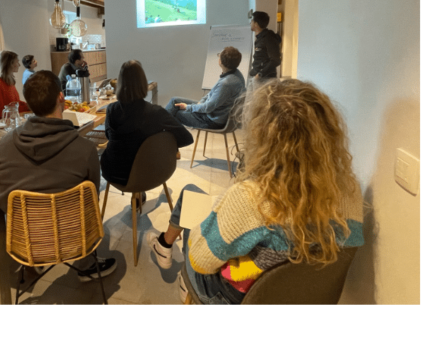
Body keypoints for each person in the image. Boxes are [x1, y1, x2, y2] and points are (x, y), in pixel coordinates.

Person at [149, 79, 365, 305]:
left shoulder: (250, 197)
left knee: (191, 207)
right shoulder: (349, 190)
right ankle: (164, 245)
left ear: (260, 136)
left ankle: (181, 276)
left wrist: (210, 220)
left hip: (235, 298)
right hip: (306, 297)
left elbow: (200, 261)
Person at [0, 70, 117, 282]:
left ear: (28, 103)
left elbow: (3, 201)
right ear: (61, 97)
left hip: (26, 241)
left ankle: (34, 261)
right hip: (73, 240)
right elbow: (92, 202)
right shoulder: (85, 149)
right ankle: (86, 266)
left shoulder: (4, 146)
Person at [101, 60, 194, 188]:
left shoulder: (111, 109)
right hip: (146, 173)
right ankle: (139, 192)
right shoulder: (156, 113)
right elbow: (187, 138)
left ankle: (139, 194)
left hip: (113, 173)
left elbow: (108, 136)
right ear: (143, 83)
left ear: (120, 83)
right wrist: (162, 145)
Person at [165, 46, 246, 129]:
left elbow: (208, 108)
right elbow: (212, 94)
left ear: (221, 62)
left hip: (212, 121)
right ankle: (161, 129)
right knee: (174, 101)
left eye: (219, 55)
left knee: (177, 113)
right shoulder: (236, 74)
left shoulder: (226, 84)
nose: (218, 57)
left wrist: (187, 107)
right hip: (212, 113)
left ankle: (161, 130)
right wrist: (201, 102)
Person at [0, 50, 30, 120]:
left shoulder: (9, 81)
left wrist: (28, 106)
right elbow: (0, 112)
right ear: (10, 64)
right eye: (17, 62)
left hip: (10, 119)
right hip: (0, 122)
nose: (19, 65)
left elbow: (15, 102)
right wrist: (25, 107)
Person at [249, 11, 282, 87]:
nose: (250, 23)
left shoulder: (268, 38)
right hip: (258, 77)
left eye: (252, 21)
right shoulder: (260, 38)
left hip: (265, 80)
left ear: (256, 24)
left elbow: (276, 60)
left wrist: (260, 74)